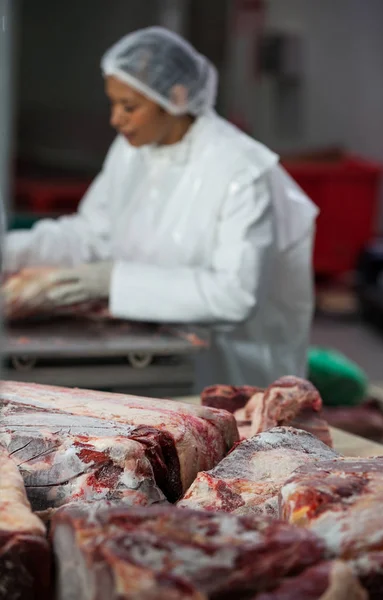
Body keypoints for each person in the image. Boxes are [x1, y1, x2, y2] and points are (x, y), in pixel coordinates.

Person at [3, 27, 318, 391]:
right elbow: (91, 234)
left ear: (176, 96)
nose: (116, 119)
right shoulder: (131, 151)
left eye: (130, 107)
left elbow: (235, 295)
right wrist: (11, 252)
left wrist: (109, 281)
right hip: (152, 352)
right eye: (113, 103)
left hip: (231, 373)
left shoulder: (240, 170)